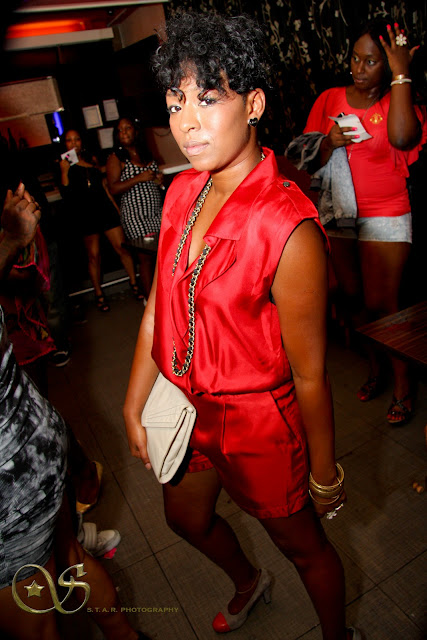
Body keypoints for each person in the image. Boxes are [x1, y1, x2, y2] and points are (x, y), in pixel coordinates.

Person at [123, 11, 360, 640]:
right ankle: (249, 582)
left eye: (208, 99)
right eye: (175, 103)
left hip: (257, 425)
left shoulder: (287, 227)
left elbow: (311, 373)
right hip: (186, 402)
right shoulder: (182, 192)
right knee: (184, 519)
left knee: (305, 548)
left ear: (253, 104)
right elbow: (157, 304)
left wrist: (325, 472)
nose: (187, 122)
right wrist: (134, 399)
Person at [0, 183, 149, 640]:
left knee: (36, 622)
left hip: (8, 477)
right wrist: (10, 240)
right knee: (70, 558)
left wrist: (11, 241)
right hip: (33, 440)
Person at [288, 20, 427, 426]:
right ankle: (376, 368)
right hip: (341, 214)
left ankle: (403, 385)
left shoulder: (399, 99)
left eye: (371, 61)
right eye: (354, 58)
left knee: (384, 305)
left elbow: (403, 138)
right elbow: (301, 154)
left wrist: (401, 75)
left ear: (389, 64)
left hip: (387, 213)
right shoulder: (330, 98)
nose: (359, 69)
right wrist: (329, 141)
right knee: (353, 300)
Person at [59, 129, 144, 312]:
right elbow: (66, 194)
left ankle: (135, 284)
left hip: (104, 208)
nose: (74, 143)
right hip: (86, 214)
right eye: (69, 140)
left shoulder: (92, 160)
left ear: (82, 141)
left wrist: (116, 209)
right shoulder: (64, 164)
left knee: (122, 247)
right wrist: (64, 171)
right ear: (64, 144)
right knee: (94, 255)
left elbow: (104, 186)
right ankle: (98, 293)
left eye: (77, 139)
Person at [106, 117, 163, 300]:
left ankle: (163, 297)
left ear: (135, 131)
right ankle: (149, 301)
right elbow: (113, 188)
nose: (124, 133)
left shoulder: (145, 153)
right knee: (145, 258)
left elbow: (153, 180)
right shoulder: (116, 158)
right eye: (120, 130)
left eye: (127, 128)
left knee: (161, 255)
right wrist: (139, 178)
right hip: (135, 215)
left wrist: (158, 180)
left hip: (155, 212)